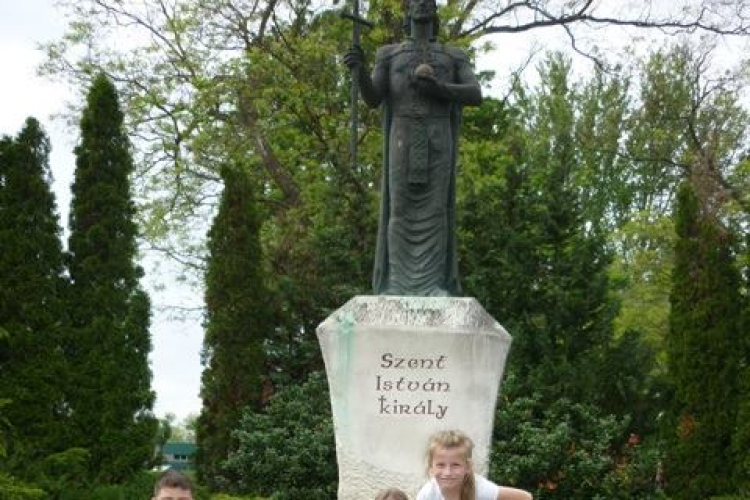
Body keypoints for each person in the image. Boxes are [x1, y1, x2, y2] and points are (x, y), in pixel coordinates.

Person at [344, 0, 482, 296]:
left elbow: (475, 94)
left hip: (437, 136)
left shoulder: (453, 55)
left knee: (436, 209)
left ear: (435, 11)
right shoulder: (389, 54)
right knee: (400, 208)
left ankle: (431, 284)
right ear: (407, 12)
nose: (421, 5)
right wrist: (360, 69)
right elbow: (373, 98)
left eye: (427, 2)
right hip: (402, 135)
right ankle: (397, 282)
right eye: (416, 2)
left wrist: (439, 89)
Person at [416, 430, 532, 500]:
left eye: (455, 465)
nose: (447, 472)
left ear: (467, 467)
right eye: (440, 465)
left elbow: (525, 497)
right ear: (431, 466)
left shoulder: (482, 490)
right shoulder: (427, 494)